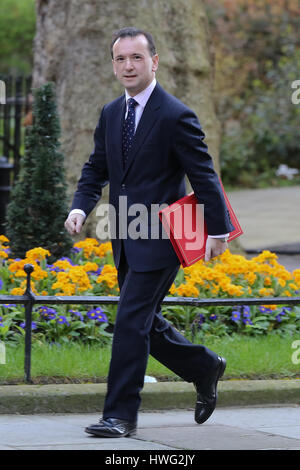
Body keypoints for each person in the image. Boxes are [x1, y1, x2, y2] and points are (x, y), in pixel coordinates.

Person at [65, 27, 234, 438]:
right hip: (125, 235)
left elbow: (204, 177)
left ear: (154, 61)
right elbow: (96, 169)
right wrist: (79, 206)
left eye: (136, 58)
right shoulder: (110, 113)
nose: (128, 65)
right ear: (113, 64)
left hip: (162, 238)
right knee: (143, 323)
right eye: (120, 59)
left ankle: (120, 416)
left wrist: (218, 230)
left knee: (129, 323)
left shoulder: (176, 114)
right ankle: (204, 366)